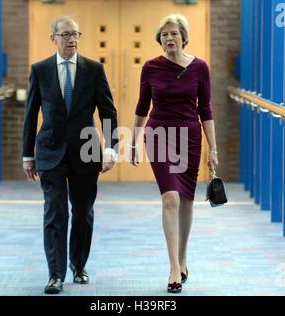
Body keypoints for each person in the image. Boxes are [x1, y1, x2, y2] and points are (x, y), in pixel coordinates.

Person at [22, 16, 118, 294]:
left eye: (75, 34)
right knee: (55, 212)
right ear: (53, 38)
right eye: (65, 35)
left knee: (83, 212)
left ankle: (79, 266)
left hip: (86, 150)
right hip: (50, 150)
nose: (71, 39)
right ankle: (55, 274)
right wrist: (28, 154)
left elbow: (108, 112)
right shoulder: (40, 70)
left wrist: (110, 149)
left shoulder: (93, 69)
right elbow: (30, 114)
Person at [130, 14, 219, 293]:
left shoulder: (200, 68)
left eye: (174, 34)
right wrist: (133, 141)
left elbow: (205, 109)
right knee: (170, 198)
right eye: (164, 35)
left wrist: (213, 149)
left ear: (184, 37)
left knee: (186, 200)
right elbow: (142, 107)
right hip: (158, 135)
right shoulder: (151, 68)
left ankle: (182, 257)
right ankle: (172, 267)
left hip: (190, 137)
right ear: (160, 40)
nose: (169, 39)